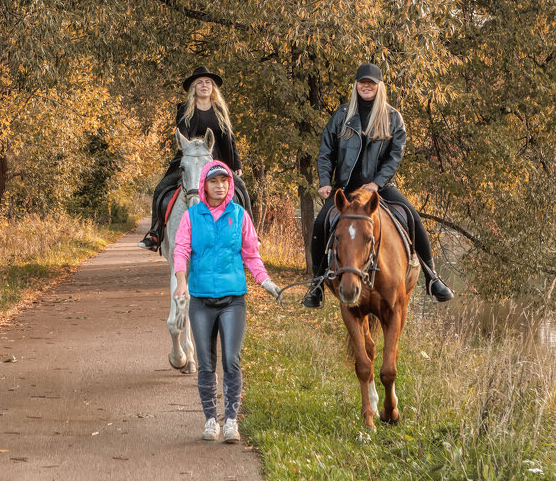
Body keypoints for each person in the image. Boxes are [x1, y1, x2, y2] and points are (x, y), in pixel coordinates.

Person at [302, 63, 454, 308]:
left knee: (412, 217)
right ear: (356, 85)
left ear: (379, 87)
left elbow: (395, 155)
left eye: (371, 83)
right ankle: (316, 285)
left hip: (380, 188)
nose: (366, 86)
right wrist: (324, 181)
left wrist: (377, 182)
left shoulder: (393, 118)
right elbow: (326, 151)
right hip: (345, 188)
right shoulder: (342, 115)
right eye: (363, 82)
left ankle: (432, 277)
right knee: (321, 223)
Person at [173, 160, 281, 442]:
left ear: (229, 184)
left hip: (233, 300)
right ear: (204, 186)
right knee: (207, 364)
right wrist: (181, 280)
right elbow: (181, 249)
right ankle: (211, 420)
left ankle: (231, 421)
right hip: (200, 301)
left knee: (231, 360)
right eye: (214, 181)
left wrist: (266, 281)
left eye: (224, 181)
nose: (220, 186)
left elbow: (251, 254)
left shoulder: (240, 215)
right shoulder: (191, 216)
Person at [139, 66, 252, 250]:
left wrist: (236, 163)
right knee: (161, 188)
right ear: (194, 88)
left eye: (208, 82)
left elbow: (229, 138)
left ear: (213, 88)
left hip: (216, 161)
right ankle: (155, 233)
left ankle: (250, 234)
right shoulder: (184, 109)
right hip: (190, 158)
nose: (204, 85)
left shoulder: (220, 111)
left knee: (241, 188)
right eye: (200, 82)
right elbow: (182, 133)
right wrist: (190, 149)